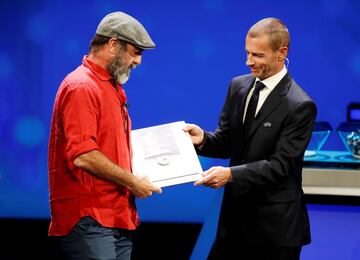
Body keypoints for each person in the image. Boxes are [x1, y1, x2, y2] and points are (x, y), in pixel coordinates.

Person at [185, 18, 316, 260]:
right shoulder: (238, 86)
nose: (249, 62)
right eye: (247, 53)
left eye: (257, 55)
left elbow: (280, 165)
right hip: (233, 222)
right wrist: (202, 138)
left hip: (274, 230)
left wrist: (231, 174)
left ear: (281, 53)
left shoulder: (300, 105)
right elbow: (227, 141)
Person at [48, 11, 162, 260]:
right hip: (90, 218)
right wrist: (132, 181)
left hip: (117, 216)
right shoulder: (82, 86)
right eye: (136, 52)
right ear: (113, 44)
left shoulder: (110, 87)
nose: (138, 61)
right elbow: (83, 155)